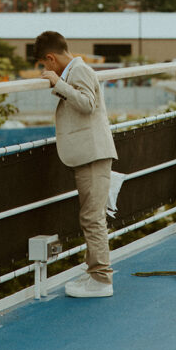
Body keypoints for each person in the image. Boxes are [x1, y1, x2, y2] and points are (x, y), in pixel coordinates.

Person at [33, 30, 118, 298]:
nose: (45, 69)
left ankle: (102, 279)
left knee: (93, 217)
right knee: (91, 215)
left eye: (45, 65)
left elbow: (87, 104)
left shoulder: (79, 70)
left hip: (93, 154)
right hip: (89, 153)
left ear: (50, 57)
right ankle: (95, 273)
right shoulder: (76, 70)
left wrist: (58, 83)